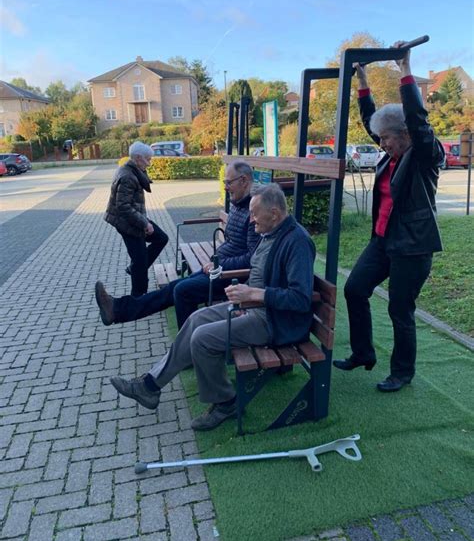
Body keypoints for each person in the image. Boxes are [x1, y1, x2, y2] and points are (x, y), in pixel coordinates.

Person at [109, 183, 316, 431]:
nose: (251, 220)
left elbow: (300, 299)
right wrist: (246, 296)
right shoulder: (271, 233)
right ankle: (150, 386)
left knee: (202, 338)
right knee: (196, 319)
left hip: (275, 322)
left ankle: (226, 402)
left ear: (274, 213)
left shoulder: (297, 242)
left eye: (254, 214)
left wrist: (253, 294)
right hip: (253, 308)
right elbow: (262, 274)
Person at [333, 42, 445, 392]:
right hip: (383, 241)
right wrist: (362, 80)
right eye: (380, 139)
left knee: (400, 309)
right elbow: (372, 122)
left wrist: (405, 69)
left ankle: (402, 372)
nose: (381, 144)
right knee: (355, 288)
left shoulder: (424, 154)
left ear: (405, 135)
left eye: (386, 139)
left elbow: (419, 121)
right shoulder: (390, 153)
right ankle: (363, 353)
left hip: (412, 247)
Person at [96, 161, 260, 329]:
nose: (225, 187)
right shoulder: (238, 205)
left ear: (243, 180)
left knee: (182, 290)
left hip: (232, 277)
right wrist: (216, 262)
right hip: (218, 269)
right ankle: (116, 309)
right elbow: (233, 244)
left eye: (228, 182)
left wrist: (219, 264)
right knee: (174, 287)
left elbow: (252, 259)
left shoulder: (254, 212)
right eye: (225, 182)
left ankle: (188, 341)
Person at [104, 141, 169, 297]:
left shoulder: (131, 170)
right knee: (140, 262)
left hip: (132, 218)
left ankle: (135, 270)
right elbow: (123, 207)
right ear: (138, 158)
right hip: (126, 223)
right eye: (148, 159)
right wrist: (145, 223)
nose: (149, 163)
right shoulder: (127, 176)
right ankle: (138, 298)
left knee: (161, 238)